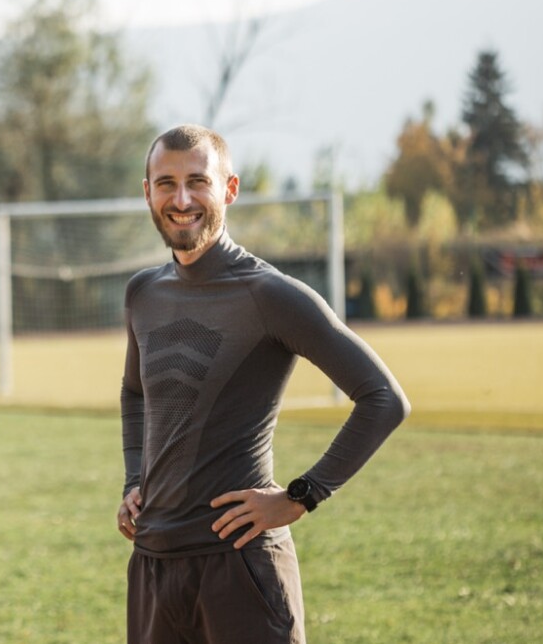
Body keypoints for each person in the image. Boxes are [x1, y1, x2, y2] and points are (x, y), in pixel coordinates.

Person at [117, 124, 409, 644]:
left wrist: (300, 496)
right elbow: (135, 392)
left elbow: (383, 398)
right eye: (165, 183)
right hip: (154, 566)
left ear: (229, 189)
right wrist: (133, 482)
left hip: (240, 570)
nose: (181, 199)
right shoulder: (143, 292)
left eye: (197, 182)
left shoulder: (271, 295)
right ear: (148, 192)